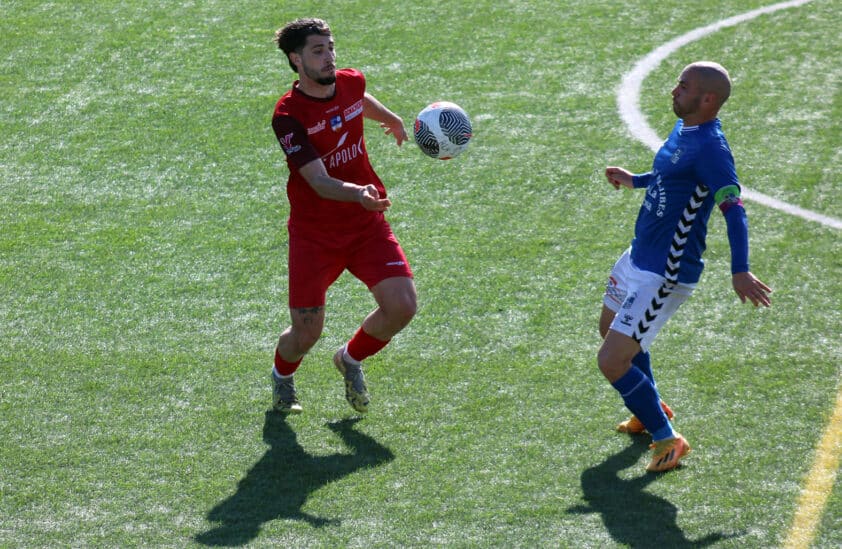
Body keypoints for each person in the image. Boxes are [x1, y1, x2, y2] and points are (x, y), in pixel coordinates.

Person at [599, 61, 772, 472]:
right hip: (640, 253)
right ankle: (649, 408)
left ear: (707, 99)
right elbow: (670, 176)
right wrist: (635, 179)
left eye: (684, 85)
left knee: (611, 360)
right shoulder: (685, 129)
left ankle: (667, 439)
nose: (674, 90)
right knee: (610, 327)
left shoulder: (713, 149)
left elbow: (734, 209)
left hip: (666, 271)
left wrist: (740, 269)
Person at [269, 18, 416, 414]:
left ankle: (349, 359)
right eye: (318, 51)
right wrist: (358, 194)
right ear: (296, 59)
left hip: (365, 226)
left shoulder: (350, 80)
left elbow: (357, 100)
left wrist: (389, 118)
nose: (329, 56)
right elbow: (317, 181)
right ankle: (282, 377)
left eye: (330, 47)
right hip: (315, 236)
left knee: (402, 306)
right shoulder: (288, 116)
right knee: (305, 334)